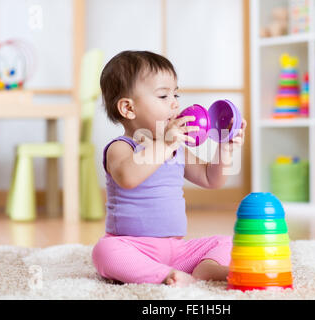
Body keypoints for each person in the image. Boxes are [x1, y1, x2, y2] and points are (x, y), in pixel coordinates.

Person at [92, 50, 247, 287]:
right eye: (163, 96)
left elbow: (210, 179)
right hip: (132, 247)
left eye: (176, 94)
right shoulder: (121, 148)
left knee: (227, 240)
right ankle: (162, 276)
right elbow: (128, 177)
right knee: (104, 252)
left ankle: (207, 268)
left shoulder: (177, 148)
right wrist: (165, 143)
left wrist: (224, 148)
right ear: (128, 109)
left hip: (177, 250)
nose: (175, 103)